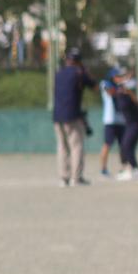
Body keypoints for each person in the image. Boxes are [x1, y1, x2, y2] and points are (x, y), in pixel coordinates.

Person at [52, 48, 93, 187]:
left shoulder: (58, 73)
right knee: (76, 146)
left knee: (62, 146)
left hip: (57, 116)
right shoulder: (79, 73)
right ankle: (76, 177)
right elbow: (93, 85)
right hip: (73, 116)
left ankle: (64, 178)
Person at [114, 69, 138, 181]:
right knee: (126, 146)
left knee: (127, 145)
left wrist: (129, 90)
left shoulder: (128, 90)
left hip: (137, 122)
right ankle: (132, 168)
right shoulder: (116, 90)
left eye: (121, 76)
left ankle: (134, 169)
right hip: (130, 123)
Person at [98, 69, 123, 176]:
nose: (118, 78)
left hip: (122, 120)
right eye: (116, 76)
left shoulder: (121, 86)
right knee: (107, 144)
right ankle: (103, 168)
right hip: (110, 120)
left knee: (124, 145)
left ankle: (125, 167)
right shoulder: (105, 84)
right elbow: (111, 92)